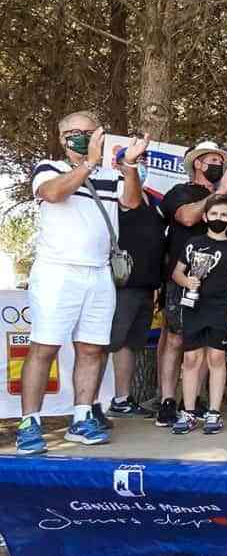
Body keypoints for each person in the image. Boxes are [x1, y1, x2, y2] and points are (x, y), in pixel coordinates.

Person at [16, 111, 146, 455]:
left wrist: (131, 166)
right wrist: (88, 163)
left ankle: (82, 418)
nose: (81, 136)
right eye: (73, 132)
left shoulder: (110, 174)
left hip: (99, 272)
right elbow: (53, 193)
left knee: (91, 349)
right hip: (57, 271)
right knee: (44, 347)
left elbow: (132, 202)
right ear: (62, 139)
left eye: (88, 132)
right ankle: (29, 423)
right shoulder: (49, 167)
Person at [154, 141, 227, 428]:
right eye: (212, 160)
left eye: (220, 162)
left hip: (215, 283)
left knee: (205, 342)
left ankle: (193, 400)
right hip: (182, 279)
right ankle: (167, 400)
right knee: (176, 339)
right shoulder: (180, 192)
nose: (217, 165)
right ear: (197, 163)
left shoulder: (225, 200)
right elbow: (187, 218)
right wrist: (218, 194)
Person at [170, 195, 227, 435]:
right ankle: (189, 411)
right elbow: (177, 272)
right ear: (205, 217)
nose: (218, 218)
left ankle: (214, 412)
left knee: (216, 358)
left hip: (220, 310)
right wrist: (187, 281)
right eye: (214, 214)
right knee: (191, 359)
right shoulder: (193, 243)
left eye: (223, 215)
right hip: (193, 308)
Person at [105, 153, 166, 419]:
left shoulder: (153, 200)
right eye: (132, 160)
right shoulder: (117, 193)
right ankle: (95, 402)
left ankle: (122, 399)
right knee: (112, 342)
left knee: (130, 344)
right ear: (117, 165)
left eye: (143, 160)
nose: (140, 165)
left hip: (147, 284)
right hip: (123, 283)